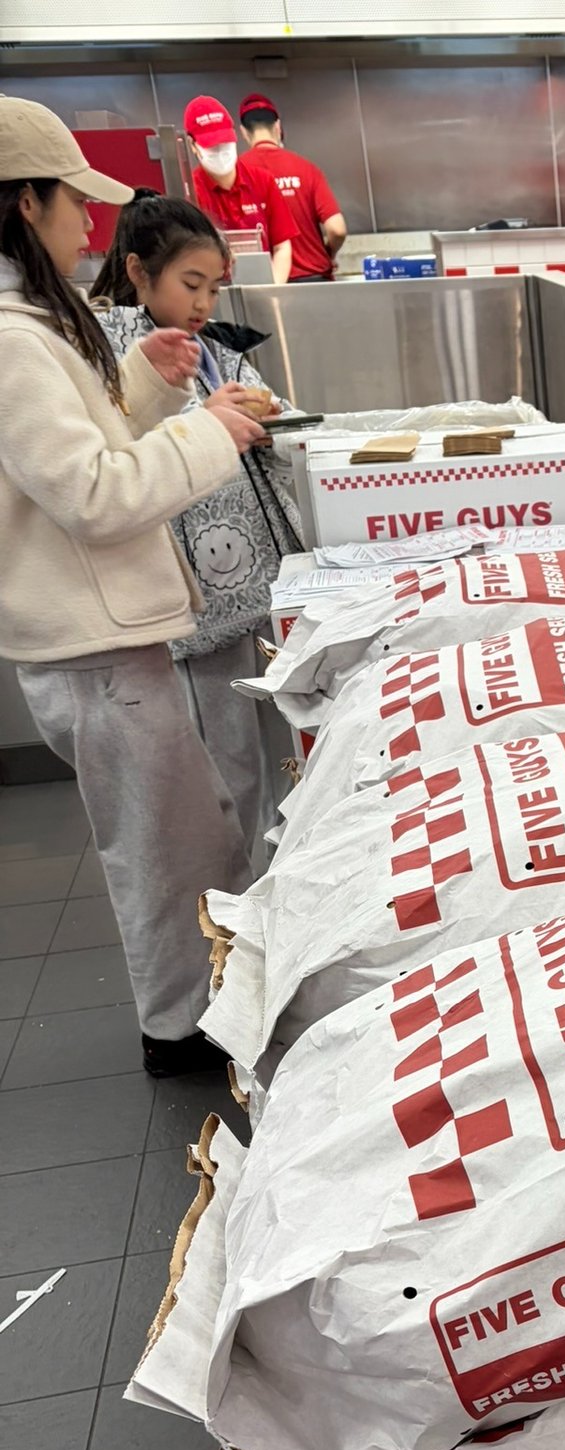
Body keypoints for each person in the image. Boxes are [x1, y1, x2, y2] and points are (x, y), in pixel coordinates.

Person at [0, 96, 267, 1077]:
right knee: (167, 858)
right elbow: (92, 494)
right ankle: (180, 1035)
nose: (90, 223)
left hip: (110, 644)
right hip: (96, 654)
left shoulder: (34, 325)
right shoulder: (12, 338)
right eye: (74, 201)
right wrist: (208, 432)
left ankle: (203, 1010)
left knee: (196, 837)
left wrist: (146, 388)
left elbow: (81, 452)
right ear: (25, 203)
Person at [91, 193, 300, 854]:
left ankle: (277, 878)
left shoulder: (219, 351)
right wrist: (209, 420)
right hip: (198, 608)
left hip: (264, 588)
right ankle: (232, 895)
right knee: (227, 772)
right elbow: (123, 454)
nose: (204, 302)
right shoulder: (109, 352)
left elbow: (281, 428)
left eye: (213, 287)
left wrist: (272, 423)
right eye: (190, 284)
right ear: (138, 271)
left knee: (285, 758)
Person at [183, 95, 294, 285]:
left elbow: (282, 247)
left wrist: (274, 289)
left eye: (225, 143)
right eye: (212, 147)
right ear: (193, 145)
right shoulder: (189, 193)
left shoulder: (262, 181)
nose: (221, 152)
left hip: (265, 286)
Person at [237, 91, 347, 283]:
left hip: (266, 283)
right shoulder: (306, 168)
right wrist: (328, 254)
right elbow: (337, 229)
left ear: (244, 132)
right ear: (278, 127)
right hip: (314, 279)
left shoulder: (237, 173)